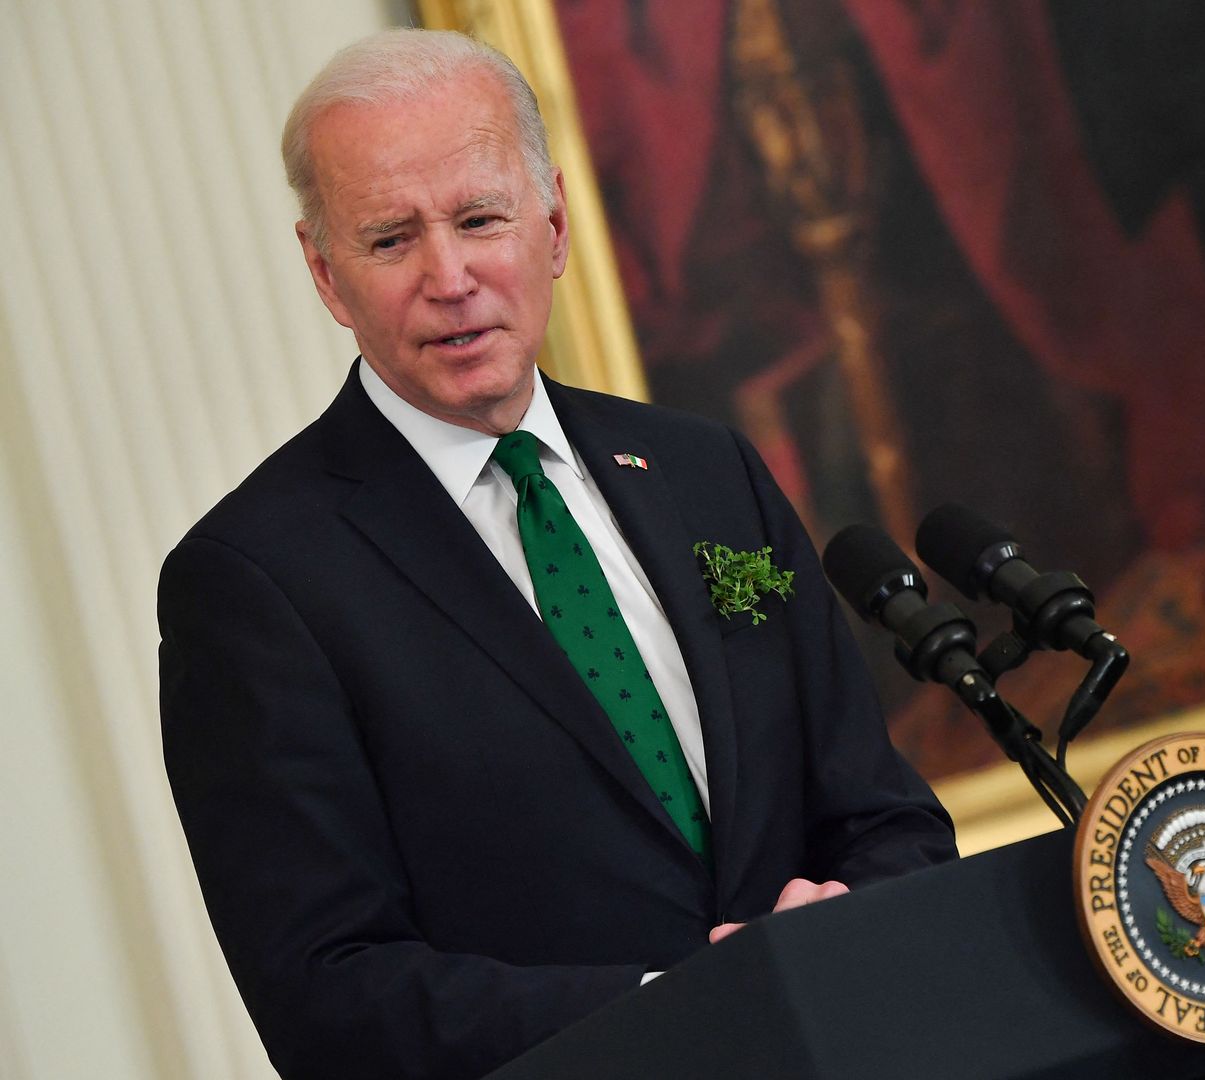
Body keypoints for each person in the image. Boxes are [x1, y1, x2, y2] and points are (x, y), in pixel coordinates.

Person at [157, 28, 955, 1080]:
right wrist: (676, 1008)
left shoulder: (710, 474)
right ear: (324, 271)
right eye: (391, 239)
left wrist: (843, 923)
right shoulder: (255, 581)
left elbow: (887, 818)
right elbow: (328, 993)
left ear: (556, 223)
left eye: (480, 219)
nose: (450, 276)